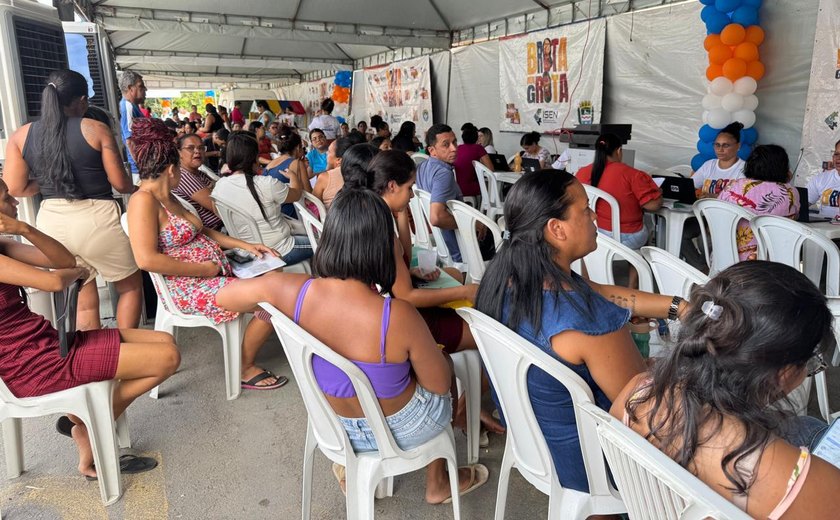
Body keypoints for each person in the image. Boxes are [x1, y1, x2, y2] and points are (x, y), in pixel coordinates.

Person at [213, 188, 489, 503]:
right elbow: (439, 386)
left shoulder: (292, 292)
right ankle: (438, 482)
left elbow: (223, 297)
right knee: (445, 367)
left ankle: (351, 468)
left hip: (334, 425)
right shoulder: (397, 314)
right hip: (403, 428)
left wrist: (277, 313)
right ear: (384, 246)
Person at [475, 169, 689, 497]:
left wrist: (677, 306)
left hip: (535, 442)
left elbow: (601, 291)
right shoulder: (591, 323)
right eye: (586, 211)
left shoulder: (510, 278)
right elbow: (645, 410)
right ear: (556, 229)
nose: (595, 219)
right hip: (592, 464)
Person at [613, 261, 840, 519]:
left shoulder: (638, 392)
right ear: (783, 374)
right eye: (810, 364)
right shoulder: (791, 478)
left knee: (808, 426)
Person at [0, 178, 179, 480]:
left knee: (164, 341)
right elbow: (56, 280)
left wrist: (25, 229)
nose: (15, 202)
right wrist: (76, 272)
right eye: (6, 198)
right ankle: (88, 427)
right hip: (32, 364)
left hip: (46, 343)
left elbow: (62, 260)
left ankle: (86, 421)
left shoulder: (4, 245)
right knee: (168, 360)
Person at [126, 118, 288, 390]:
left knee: (275, 271)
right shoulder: (143, 200)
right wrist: (206, 270)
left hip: (213, 272)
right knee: (276, 297)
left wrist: (246, 245)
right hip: (191, 286)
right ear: (170, 169)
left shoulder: (171, 197)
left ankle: (248, 356)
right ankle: (244, 367)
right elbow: (146, 260)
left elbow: (202, 232)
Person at [4, 70, 142, 331]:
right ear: (80, 100)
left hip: (52, 223)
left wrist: (49, 182)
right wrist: (137, 188)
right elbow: (120, 184)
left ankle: (96, 365)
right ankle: (125, 358)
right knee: (130, 287)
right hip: (97, 218)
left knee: (84, 301)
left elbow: (16, 187)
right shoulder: (96, 129)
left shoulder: (21, 135)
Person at [213, 133, 312, 267]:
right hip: (279, 250)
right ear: (255, 157)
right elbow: (296, 195)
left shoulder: (219, 186)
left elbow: (218, 211)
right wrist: (293, 177)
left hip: (244, 253)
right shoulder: (266, 184)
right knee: (326, 243)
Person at [575, 133, 662, 258]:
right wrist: (658, 193)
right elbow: (653, 206)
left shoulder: (582, 172)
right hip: (628, 235)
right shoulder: (632, 174)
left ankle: (590, 274)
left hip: (594, 232)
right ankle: (637, 274)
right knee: (647, 228)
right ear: (619, 151)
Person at [719, 145, 800, 261]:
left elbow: (717, 212)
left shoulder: (735, 186)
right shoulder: (790, 192)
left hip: (728, 256)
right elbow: (795, 217)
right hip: (774, 259)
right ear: (783, 167)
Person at [415, 124, 465, 263]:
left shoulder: (422, 167)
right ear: (432, 150)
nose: (454, 148)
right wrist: (469, 223)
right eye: (446, 145)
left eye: (454, 142)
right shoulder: (443, 174)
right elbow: (436, 217)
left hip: (440, 242)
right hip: (459, 246)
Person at [173, 133, 223, 231]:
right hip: (215, 232)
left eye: (201, 148)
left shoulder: (199, 173)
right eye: (190, 148)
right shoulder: (185, 177)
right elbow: (219, 207)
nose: (197, 151)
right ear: (179, 153)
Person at [264, 128, 312, 218]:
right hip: (291, 215)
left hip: (272, 212)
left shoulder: (270, 164)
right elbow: (309, 195)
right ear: (298, 147)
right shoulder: (297, 163)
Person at [691, 122, 746, 197]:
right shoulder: (709, 164)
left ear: (738, 146)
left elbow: (741, 199)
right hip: (704, 207)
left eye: (725, 145)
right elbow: (690, 186)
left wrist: (711, 196)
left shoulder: (745, 168)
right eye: (717, 145)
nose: (720, 149)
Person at [117, 70, 146, 176]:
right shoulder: (127, 106)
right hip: (138, 170)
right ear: (130, 88)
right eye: (141, 86)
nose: (144, 90)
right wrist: (142, 166)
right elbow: (130, 141)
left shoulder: (132, 106)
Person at [453, 125, 494, 199]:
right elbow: (490, 169)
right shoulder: (479, 148)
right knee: (489, 185)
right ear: (476, 138)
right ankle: (485, 208)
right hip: (471, 188)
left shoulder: (458, 148)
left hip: (455, 188)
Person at [313, 136, 353, 209]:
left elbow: (312, 204)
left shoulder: (325, 177)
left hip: (332, 219)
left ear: (339, 160)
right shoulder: (359, 171)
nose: (326, 153)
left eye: (329, 151)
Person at [806, 139, 840, 207]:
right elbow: (803, 204)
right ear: (833, 157)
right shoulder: (821, 178)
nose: (839, 158)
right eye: (836, 154)